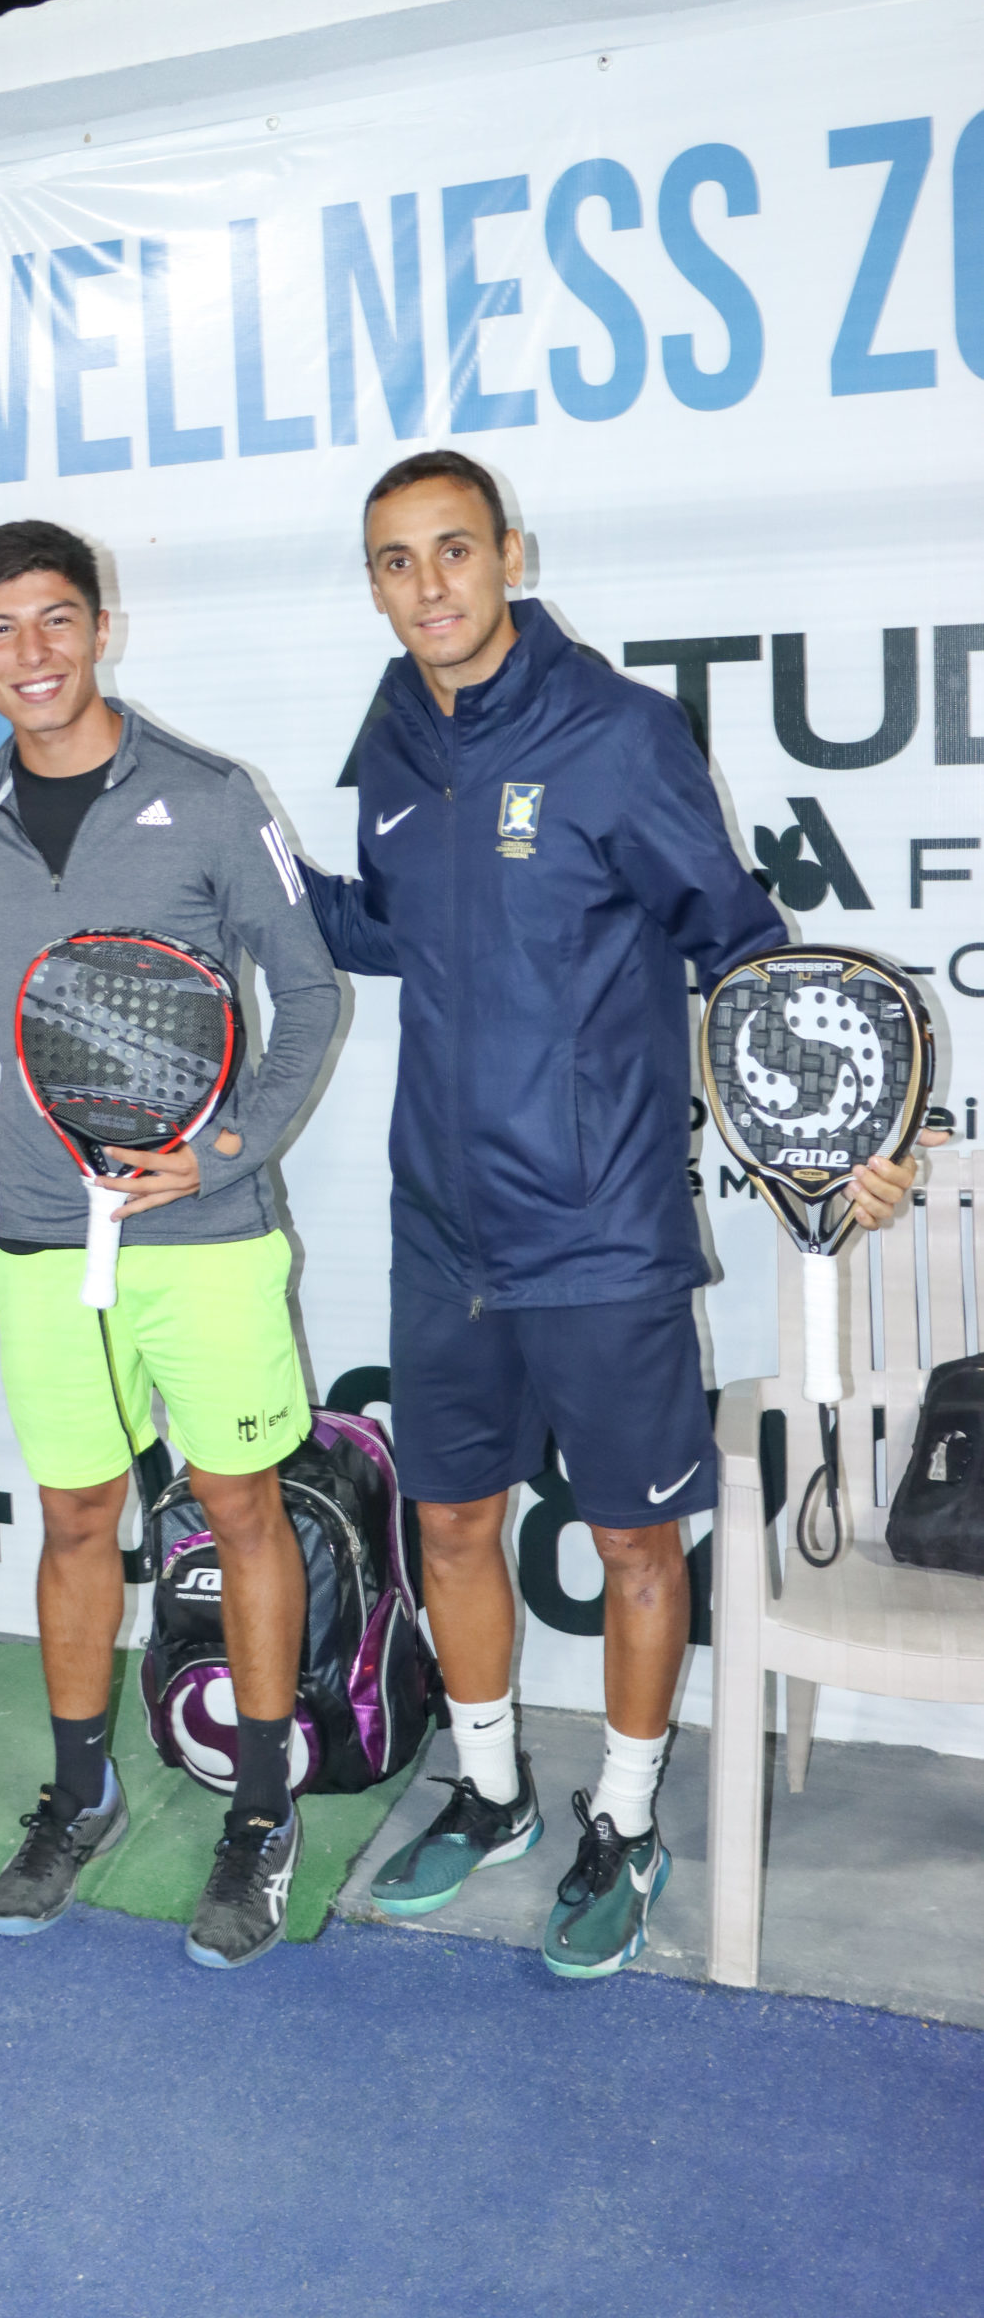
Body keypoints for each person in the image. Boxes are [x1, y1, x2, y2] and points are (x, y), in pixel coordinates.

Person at [301, 450, 926, 1978]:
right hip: (443, 1227)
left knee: (640, 1544)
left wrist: (840, 1140)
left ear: (511, 552)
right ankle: (498, 1791)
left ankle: (630, 1817)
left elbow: (742, 947)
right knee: (451, 1520)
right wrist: (240, 884)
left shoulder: (622, 735)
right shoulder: (389, 735)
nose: (429, 585)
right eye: (396, 561)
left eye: (454, 551)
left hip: (600, 1227)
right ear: (374, 581)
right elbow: (390, 932)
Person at [0, 520, 340, 1968]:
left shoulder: (215, 800)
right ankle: (84, 1793)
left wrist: (222, 1151)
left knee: (240, 1512)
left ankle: (265, 1811)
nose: (30, 655)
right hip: (44, 1241)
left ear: (102, 626)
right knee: (79, 1523)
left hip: (209, 1236)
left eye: (54, 622)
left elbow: (312, 993)